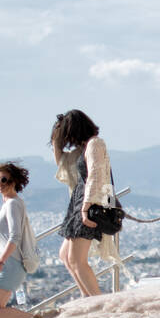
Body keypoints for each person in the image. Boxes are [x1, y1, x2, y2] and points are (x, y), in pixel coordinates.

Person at [51, 109, 115, 296]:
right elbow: (63, 163)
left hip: (88, 204)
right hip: (79, 203)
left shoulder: (95, 144)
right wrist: (55, 140)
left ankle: (97, 302)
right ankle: (88, 297)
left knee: (76, 259)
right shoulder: (83, 148)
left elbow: (95, 174)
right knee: (66, 256)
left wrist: (86, 208)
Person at [0, 162, 38, 318]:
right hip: (7, 262)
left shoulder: (13, 203)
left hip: (9, 263)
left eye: (4, 180)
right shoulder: (9, 203)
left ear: (13, 181)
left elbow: (15, 236)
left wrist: (0, 262)